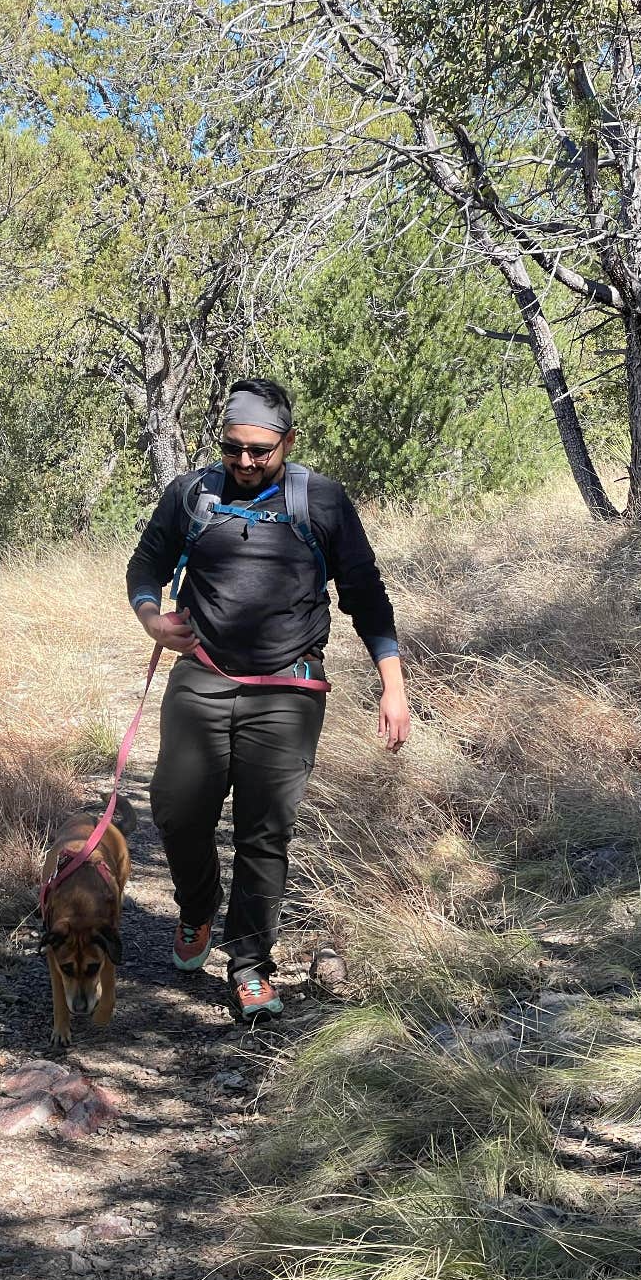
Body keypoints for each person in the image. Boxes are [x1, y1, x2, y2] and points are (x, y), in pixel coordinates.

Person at [125, 378, 410, 1022]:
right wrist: (150, 617)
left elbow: (365, 594)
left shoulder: (322, 501)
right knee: (176, 808)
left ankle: (250, 962)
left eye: (261, 450)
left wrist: (392, 684)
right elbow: (145, 566)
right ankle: (197, 907)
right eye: (234, 449)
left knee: (265, 830)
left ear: (286, 441)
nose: (246, 462)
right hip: (201, 675)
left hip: (288, 687)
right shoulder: (192, 495)